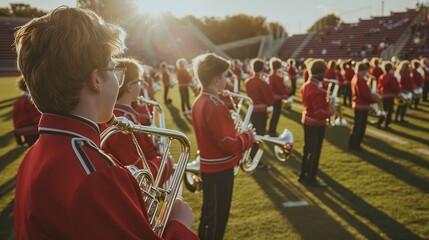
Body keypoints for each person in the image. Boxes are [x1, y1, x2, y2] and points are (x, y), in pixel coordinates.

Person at [13, 6, 197, 239]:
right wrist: (179, 224)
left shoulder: (33, 155)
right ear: (96, 79)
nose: (117, 80)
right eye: (113, 69)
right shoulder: (96, 175)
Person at [191, 53, 254, 240]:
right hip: (219, 168)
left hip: (210, 165)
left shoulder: (202, 100)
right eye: (225, 76)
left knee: (209, 212)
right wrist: (248, 136)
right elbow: (228, 144)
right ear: (217, 79)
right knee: (218, 217)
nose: (227, 80)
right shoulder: (213, 104)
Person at [101, 58, 173, 185]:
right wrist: (166, 163)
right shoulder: (122, 122)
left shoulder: (125, 115)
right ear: (129, 87)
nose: (141, 85)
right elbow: (139, 176)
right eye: (139, 81)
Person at [299, 59, 335, 187]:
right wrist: (331, 107)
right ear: (320, 72)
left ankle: (303, 174)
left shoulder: (306, 85)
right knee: (314, 151)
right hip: (316, 124)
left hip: (307, 120)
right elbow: (320, 113)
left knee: (307, 149)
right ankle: (311, 178)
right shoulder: (318, 90)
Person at [245, 58, 275, 169]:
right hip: (261, 111)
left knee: (255, 134)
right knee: (259, 136)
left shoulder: (248, 81)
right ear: (262, 68)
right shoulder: (262, 83)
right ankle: (255, 160)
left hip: (252, 111)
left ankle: (252, 157)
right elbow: (269, 99)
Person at [349, 62, 379, 151]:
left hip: (358, 104)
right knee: (360, 127)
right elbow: (365, 94)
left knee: (357, 126)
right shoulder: (360, 79)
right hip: (361, 105)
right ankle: (355, 145)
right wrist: (374, 99)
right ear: (363, 70)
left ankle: (353, 144)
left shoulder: (356, 78)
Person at [12, 76, 41, 147]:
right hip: (33, 132)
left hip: (22, 131)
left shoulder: (18, 101)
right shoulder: (30, 102)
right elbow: (37, 121)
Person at [268, 57, 290, 137]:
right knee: (275, 116)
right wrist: (287, 86)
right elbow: (282, 90)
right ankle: (272, 132)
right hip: (277, 99)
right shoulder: (277, 77)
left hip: (272, 98)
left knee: (274, 116)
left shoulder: (271, 76)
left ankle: (271, 130)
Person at [377, 62, 400, 129]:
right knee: (389, 111)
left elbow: (378, 87)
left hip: (383, 95)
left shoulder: (381, 76)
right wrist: (397, 92)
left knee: (382, 110)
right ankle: (386, 124)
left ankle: (379, 122)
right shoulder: (392, 77)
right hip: (390, 96)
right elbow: (395, 87)